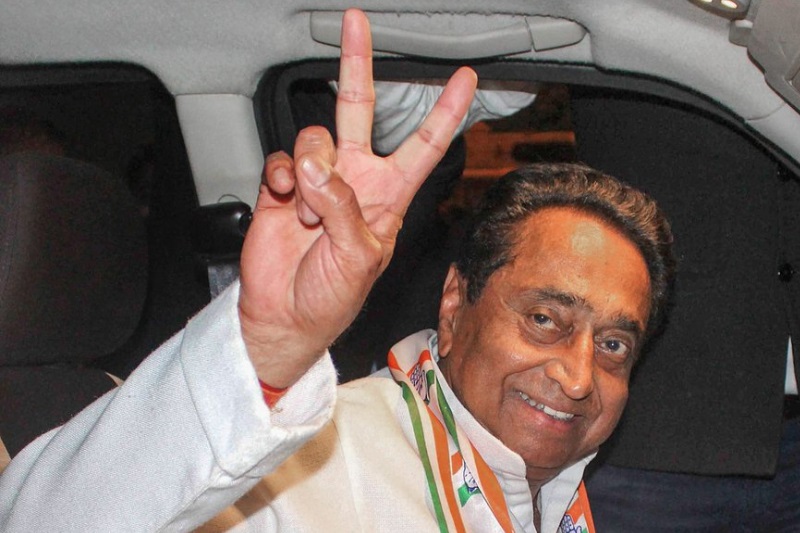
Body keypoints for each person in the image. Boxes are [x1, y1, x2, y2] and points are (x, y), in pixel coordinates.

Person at [0, 9, 674, 532]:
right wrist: (266, 346)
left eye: (614, 345)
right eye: (545, 319)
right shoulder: (313, 469)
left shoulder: (551, 496)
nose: (578, 375)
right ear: (453, 303)